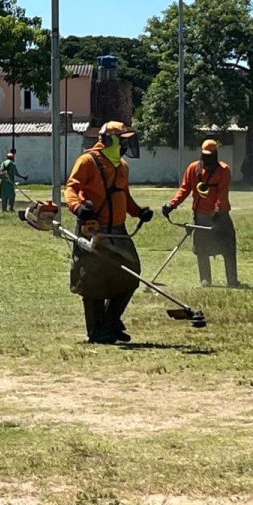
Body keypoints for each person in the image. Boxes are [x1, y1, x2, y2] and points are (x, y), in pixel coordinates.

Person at [64, 120, 154, 344]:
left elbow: (123, 195)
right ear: (108, 140)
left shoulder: (122, 166)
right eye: (122, 141)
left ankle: (111, 321)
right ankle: (97, 331)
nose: (125, 145)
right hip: (93, 229)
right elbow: (71, 187)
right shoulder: (87, 161)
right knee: (93, 280)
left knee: (130, 275)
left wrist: (137, 211)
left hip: (118, 230)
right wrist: (78, 207)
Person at [163, 138, 240, 287]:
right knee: (201, 248)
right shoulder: (193, 169)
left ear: (216, 155)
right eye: (205, 155)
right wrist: (171, 204)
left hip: (220, 216)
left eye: (210, 155)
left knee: (228, 247)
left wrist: (218, 210)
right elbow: (184, 189)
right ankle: (205, 279)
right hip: (200, 216)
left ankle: (232, 279)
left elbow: (222, 194)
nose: (207, 159)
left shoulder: (224, 170)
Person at [0, 148, 28, 212]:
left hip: (3, 181)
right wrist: (23, 177)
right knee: (12, 195)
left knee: (4, 196)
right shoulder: (12, 164)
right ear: (12, 158)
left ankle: (4, 209)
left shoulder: (3, 163)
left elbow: (0, 171)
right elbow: (16, 174)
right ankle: (11, 208)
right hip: (10, 182)